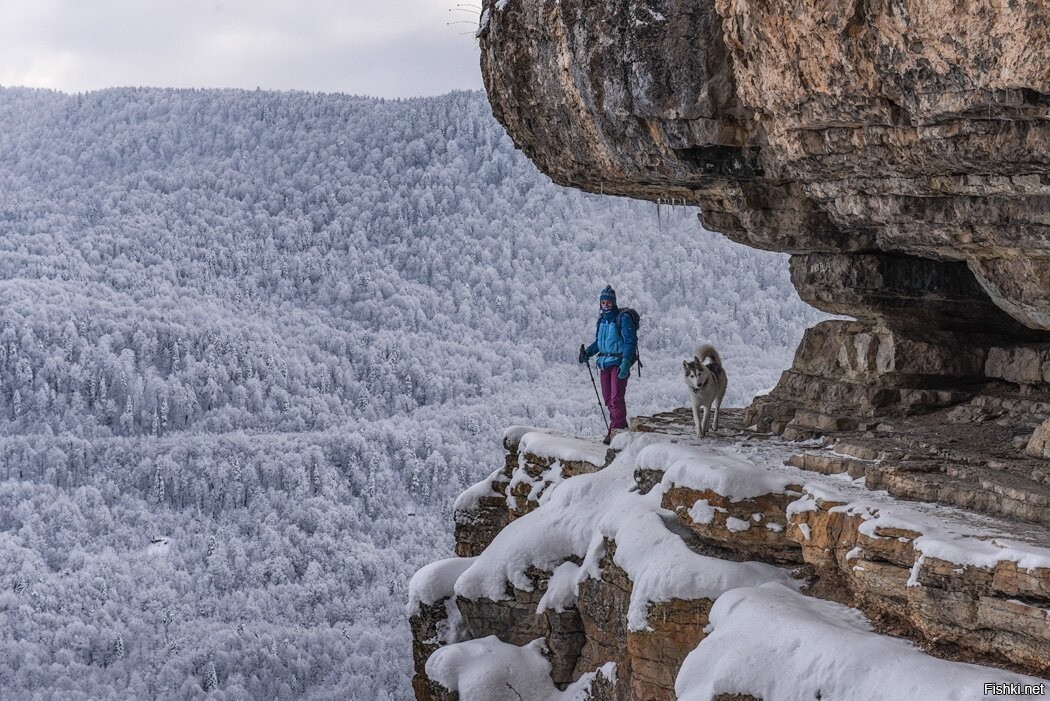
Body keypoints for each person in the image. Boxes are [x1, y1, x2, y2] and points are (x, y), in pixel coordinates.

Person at [578, 285, 637, 444]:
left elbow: (630, 342)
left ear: (614, 303)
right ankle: (616, 428)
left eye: (608, 303)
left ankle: (617, 431)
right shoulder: (602, 320)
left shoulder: (622, 318)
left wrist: (625, 363)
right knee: (607, 399)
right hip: (604, 363)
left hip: (618, 362)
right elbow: (599, 343)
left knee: (616, 398)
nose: (605, 305)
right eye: (603, 302)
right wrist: (588, 353)